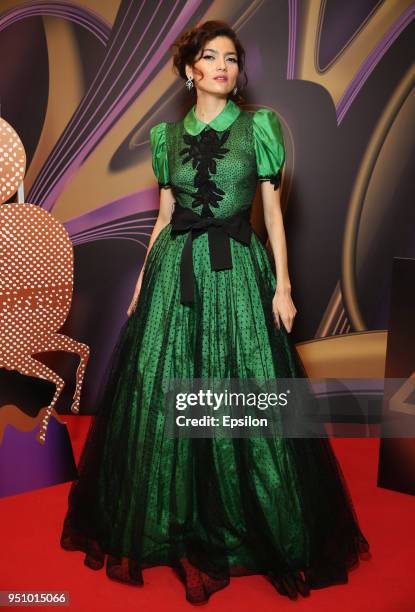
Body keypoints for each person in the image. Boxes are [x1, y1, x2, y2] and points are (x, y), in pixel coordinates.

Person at [60, 20, 370, 604]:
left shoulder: (260, 126)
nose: (224, 65)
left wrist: (283, 284)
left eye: (231, 57)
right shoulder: (166, 137)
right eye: (211, 56)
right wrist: (139, 286)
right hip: (174, 272)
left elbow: (274, 216)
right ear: (190, 70)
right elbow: (162, 217)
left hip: (237, 275)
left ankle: (238, 524)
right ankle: (172, 525)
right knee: (161, 399)